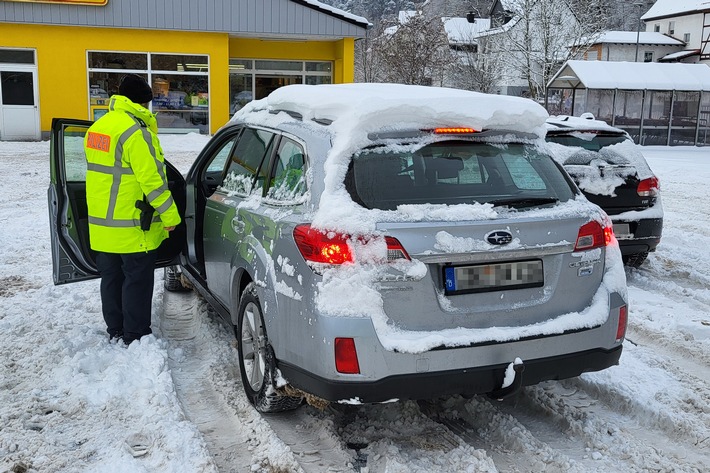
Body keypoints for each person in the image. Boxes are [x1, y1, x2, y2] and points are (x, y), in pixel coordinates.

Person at [84, 74, 181, 345]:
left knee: (111, 279)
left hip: (102, 225)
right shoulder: (136, 132)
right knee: (136, 280)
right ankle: (135, 334)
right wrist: (170, 216)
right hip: (132, 225)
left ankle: (115, 328)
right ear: (142, 103)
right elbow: (153, 181)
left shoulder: (98, 128)